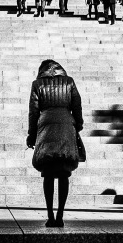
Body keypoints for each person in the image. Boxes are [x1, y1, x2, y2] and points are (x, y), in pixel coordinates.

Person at [27, 59, 84, 228]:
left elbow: (33, 111)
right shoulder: (69, 82)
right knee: (64, 171)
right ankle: (60, 215)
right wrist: (78, 124)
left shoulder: (37, 84)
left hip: (46, 127)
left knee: (48, 171)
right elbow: (77, 105)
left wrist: (32, 134)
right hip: (66, 126)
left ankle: (50, 215)